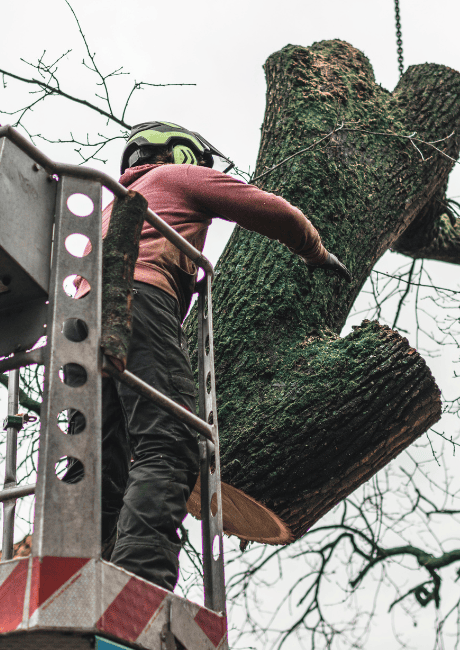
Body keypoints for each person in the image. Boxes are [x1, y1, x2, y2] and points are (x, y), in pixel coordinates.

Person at [79, 121, 351, 590]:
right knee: (171, 442)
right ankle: (138, 583)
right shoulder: (173, 177)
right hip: (137, 301)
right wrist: (315, 251)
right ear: (182, 155)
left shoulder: (109, 208)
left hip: (81, 325)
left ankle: (89, 577)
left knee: (108, 461)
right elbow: (270, 210)